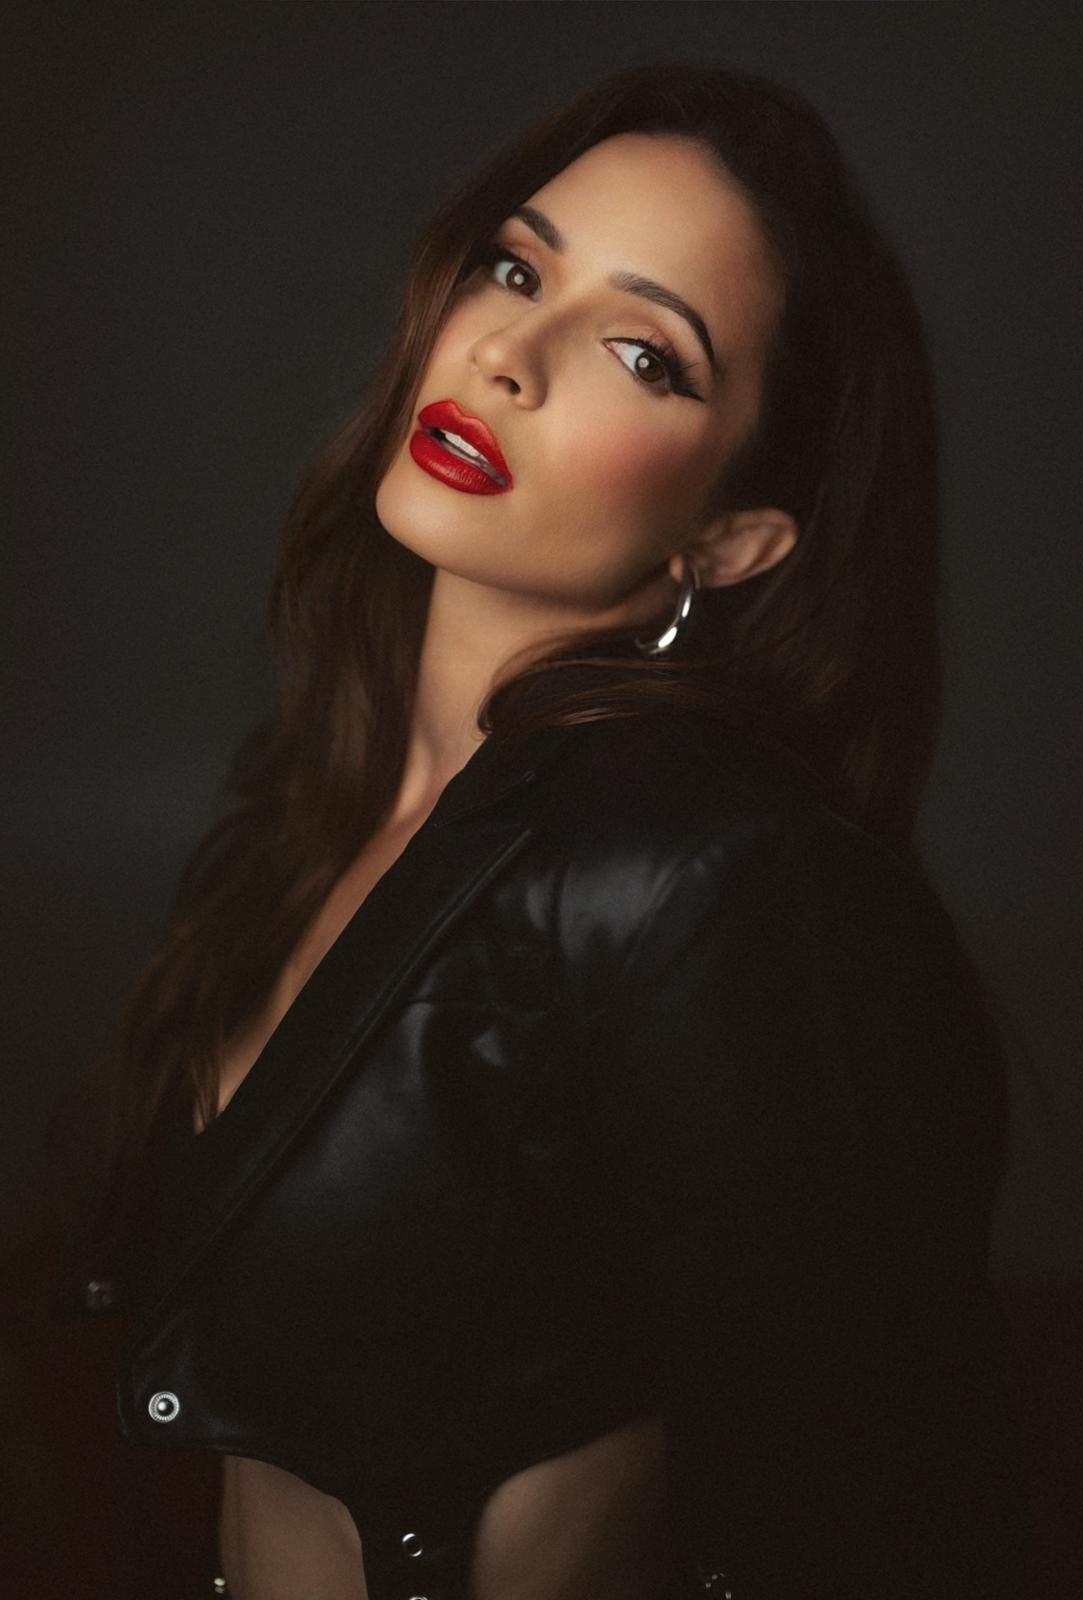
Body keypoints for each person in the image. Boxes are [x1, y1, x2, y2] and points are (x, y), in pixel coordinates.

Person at [45, 60, 1028, 1600]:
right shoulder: (311, 803)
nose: (509, 355)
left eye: (644, 353)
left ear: (733, 535)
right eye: (517, 270)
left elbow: (879, 1516)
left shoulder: (702, 878)